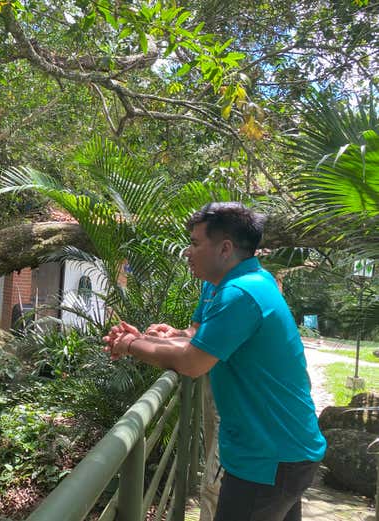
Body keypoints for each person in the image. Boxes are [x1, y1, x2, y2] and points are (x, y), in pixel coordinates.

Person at [103, 202, 326, 521]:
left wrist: (130, 344)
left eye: (195, 243)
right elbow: (200, 343)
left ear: (225, 248)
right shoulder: (247, 284)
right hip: (283, 450)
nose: (187, 252)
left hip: (267, 457)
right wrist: (142, 338)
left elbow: (193, 362)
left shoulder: (240, 294)